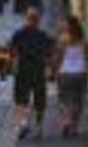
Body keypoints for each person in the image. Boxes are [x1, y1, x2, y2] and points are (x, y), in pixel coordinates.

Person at [9, 7, 55, 140]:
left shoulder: (19, 34)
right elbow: (49, 54)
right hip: (38, 71)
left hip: (24, 71)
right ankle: (38, 128)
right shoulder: (43, 36)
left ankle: (23, 124)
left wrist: (9, 69)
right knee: (39, 102)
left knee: (21, 101)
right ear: (38, 20)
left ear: (27, 19)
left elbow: (12, 53)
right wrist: (51, 70)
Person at [54, 15, 88, 138]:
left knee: (63, 99)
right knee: (78, 101)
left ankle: (66, 120)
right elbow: (87, 59)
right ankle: (74, 128)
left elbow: (58, 58)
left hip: (65, 73)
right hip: (80, 73)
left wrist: (55, 72)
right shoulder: (84, 41)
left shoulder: (63, 40)